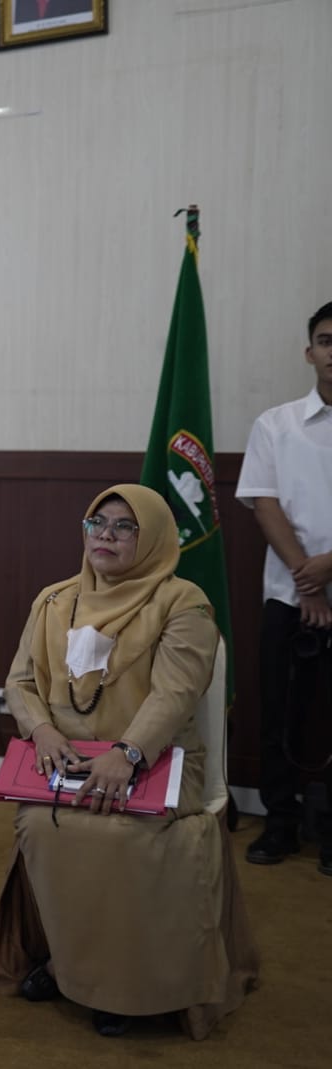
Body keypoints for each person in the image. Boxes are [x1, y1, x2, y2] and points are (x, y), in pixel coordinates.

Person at [0, 484, 257, 1039]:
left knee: (124, 837)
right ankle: (66, 964)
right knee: (40, 823)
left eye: (123, 527)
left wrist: (127, 754)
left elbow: (175, 694)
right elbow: (19, 681)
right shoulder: (54, 600)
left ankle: (130, 989)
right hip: (66, 759)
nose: (105, 536)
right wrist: (39, 730)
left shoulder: (183, 602)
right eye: (96, 523)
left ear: (151, 537)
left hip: (160, 761)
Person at [236, 300, 332, 871]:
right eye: (326, 340)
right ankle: (280, 823)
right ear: (310, 352)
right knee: (280, 714)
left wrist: (328, 568)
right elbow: (264, 506)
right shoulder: (275, 424)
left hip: (313, 583)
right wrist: (309, 583)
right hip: (286, 597)